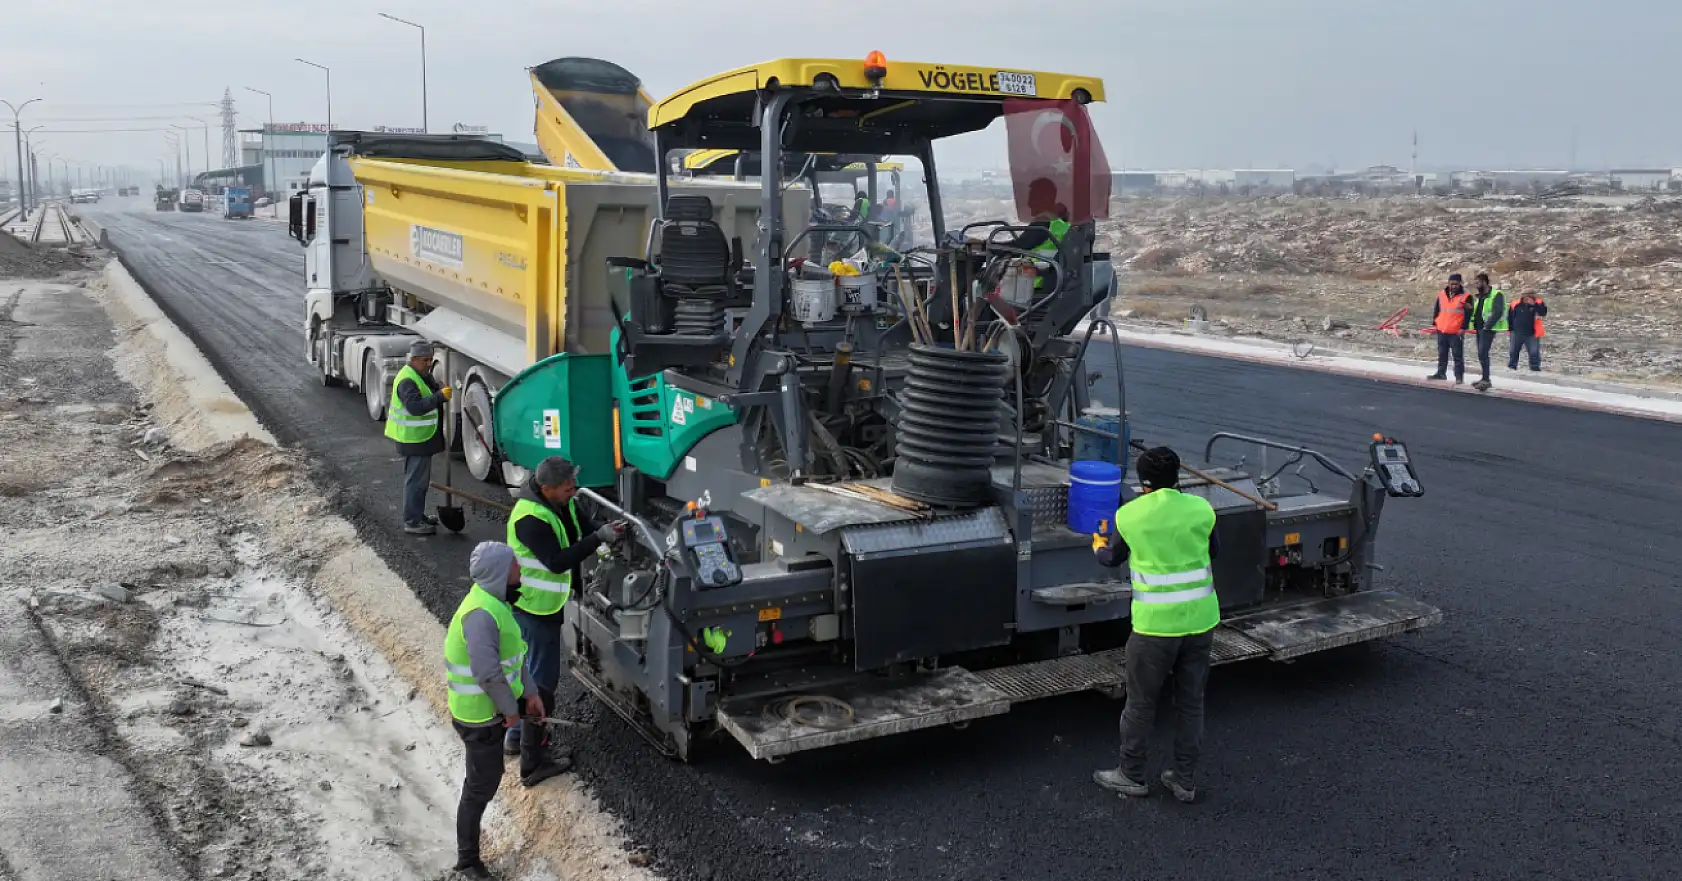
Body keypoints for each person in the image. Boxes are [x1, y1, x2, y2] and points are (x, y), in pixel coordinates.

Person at [1090, 446, 1221, 804]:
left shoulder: (1129, 515)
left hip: (1155, 629)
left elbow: (1110, 558)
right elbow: (1213, 552)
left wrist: (1098, 543)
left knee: (1141, 704)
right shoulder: (1202, 509)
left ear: (1143, 481)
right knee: (1191, 703)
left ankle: (1131, 775)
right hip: (1200, 622)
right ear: (1177, 476)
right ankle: (1184, 781)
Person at [445, 542, 567, 880]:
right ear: (500, 571)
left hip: (491, 712)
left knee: (485, 779)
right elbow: (487, 673)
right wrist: (510, 710)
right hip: (478, 716)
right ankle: (467, 862)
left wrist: (530, 694)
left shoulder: (495, 603)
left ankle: (533, 763)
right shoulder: (481, 615)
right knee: (480, 787)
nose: (520, 570)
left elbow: (514, 656)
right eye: (515, 565)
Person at [503, 456, 624, 758]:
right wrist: (598, 538)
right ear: (547, 488)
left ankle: (519, 735)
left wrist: (607, 530)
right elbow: (556, 562)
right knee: (541, 680)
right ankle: (531, 747)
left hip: (548, 604)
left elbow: (583, 525)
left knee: (532, 672)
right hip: (534, 608)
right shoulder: (528, 519)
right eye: (568, 489)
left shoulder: (560, 501)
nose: (574, 492)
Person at [384, 341, 451, 535]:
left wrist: (438, 389)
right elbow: (414, 408)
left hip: (420, 438)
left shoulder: (420, 375)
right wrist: (439, 397)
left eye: (431, 359)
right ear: (413, 360)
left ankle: (417, 515)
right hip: (414, 439)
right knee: (416, 482)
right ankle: (412, 522)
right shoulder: (407, 380)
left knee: (419, 481)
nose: (428, 363)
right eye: (424, 360)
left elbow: (429, 389)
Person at [1427, 273, 1472, 384]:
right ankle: (1441, 373)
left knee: (1457, 356)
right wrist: (1435, 323)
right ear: (1448, 283)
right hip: (1442, 330)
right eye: (1452, 284)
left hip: (1456, 332)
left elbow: (1468, 314)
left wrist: (1463, 328)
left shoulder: (1466, 297)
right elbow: (1437, 309)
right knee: (1442, 353)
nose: (1454, 286)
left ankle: (1459, 377)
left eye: (1456, 284)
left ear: (1460, 283)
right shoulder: (1442, 294)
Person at [1467, 272, 1507, 391]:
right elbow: (1479, 311)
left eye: (1477, 282)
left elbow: (1497, 312)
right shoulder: (1480, 296)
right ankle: (1484, 378)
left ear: (1484, 282)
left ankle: (1486, 380)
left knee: (1483, 353)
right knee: (1481, 353)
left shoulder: (1496, 294)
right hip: (1479, 328)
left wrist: (1487, 326)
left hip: (1488, 329)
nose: (1476, 285)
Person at [1507, 291, 1549, 372]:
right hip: (1516, 333)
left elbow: (1543, 312)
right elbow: (1510, 317)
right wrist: (1510, 329)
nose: (1527, 298)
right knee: (1513, 351)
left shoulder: (1539, 302)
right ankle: (1512, 367)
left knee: (1534, 352)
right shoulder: (1515, 303)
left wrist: (1534, 304)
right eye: (1525, 296)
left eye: (1529, 296)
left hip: (1532, 333)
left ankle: (1535, 368)